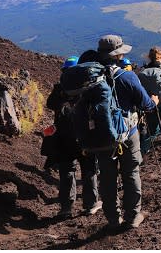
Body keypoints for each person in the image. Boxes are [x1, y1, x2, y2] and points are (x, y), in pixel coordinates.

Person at [94, 35, 157, 231]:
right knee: (131, 172)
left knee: (107, 177)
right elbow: (146, 104)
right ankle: (133, 216)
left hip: (101, 135)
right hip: (127, 133)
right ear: (119, 55)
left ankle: (113, 219)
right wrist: (155, 100)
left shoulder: (92, 78)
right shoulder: (127, 77)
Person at [45, 56, 101, 219]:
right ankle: (90, 204)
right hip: (85, 137)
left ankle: (66, 207)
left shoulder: (60, 89)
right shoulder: (88, 88)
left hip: (64, 139)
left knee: (67, 172)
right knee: (89, 170)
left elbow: (50, 105)